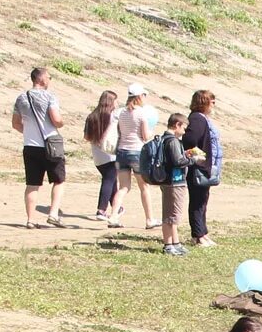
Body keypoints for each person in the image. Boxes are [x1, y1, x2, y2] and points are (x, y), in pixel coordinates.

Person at [12, 66, 66, 229]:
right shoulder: (50, 97)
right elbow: (56, 119)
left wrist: (28, 132)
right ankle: (53, 214)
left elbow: (15, 123)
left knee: (32, 183)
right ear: (41, 79)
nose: (49, 80)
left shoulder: (21, 98)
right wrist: (62, 123)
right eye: (49, 77)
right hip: (50, 144)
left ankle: (31, 219)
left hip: (30, 145)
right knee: (58, 180)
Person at [114, 83, 159, 229]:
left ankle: (113, 216)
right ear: (139, 96)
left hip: (122, 151)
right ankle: (149, 219)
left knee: (123, 187)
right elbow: (145, 136)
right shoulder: (141, 113)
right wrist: (152, 131)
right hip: (137, 152)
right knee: (144, 187)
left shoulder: (121, 112)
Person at [181, 89, 221, 249]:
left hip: (204, 165)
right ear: (203, 102)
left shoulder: (201, 118)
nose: (213, 105)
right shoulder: (197, 119)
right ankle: (198, 236)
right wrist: (199, 156)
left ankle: (202, 233)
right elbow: (189, 141)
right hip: (198, 166)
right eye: (211, 102)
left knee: (202, 200)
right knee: (198, 201)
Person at [153, 112, 191, 256]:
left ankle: (176, 243)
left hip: (170, 182)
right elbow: (177, 162)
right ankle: (168, 245)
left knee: (174, 216)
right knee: (170, 215)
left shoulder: (165, 139)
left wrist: (185, 155)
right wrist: (192, 159)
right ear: (177, 125)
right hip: (174, 182)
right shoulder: (173, 141)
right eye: (184, 128)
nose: (185, 131)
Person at [81, 90, 120, 226]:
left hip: (97, 154)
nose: (117, 103)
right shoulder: (113, 117)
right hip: (111, 152)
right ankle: (101, 209)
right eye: (115, 100)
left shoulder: (92, 116)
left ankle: (117, 206)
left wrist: (97, 141)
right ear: (110, 102)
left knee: (111, 180)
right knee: (109, 180)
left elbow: (86, 137)